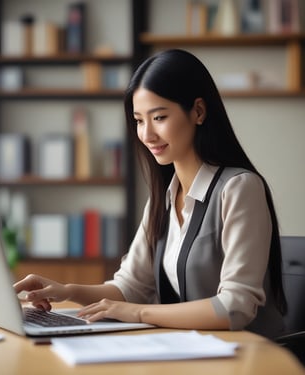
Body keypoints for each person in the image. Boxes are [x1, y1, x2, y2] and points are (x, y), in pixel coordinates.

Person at [14, 49, 287, 338]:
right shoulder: (164, 198)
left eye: (158, 117)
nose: (146, 134)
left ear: (198, 111)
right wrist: (65, 290)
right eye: (139, 120)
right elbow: (131, 287)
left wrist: (139, 312)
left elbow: (235, 307)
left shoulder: (239, 189)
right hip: (195, 351)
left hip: (251, 357)